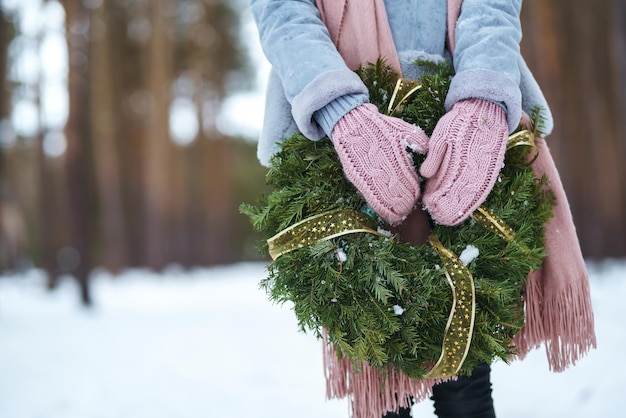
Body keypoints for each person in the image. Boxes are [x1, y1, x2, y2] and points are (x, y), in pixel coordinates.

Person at [249, 1, 595, 417]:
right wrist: (341, 111)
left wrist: (482, 102)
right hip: (341, 130)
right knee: (382, 382)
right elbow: (283, 9)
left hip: (459, 110)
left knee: (468, 382)